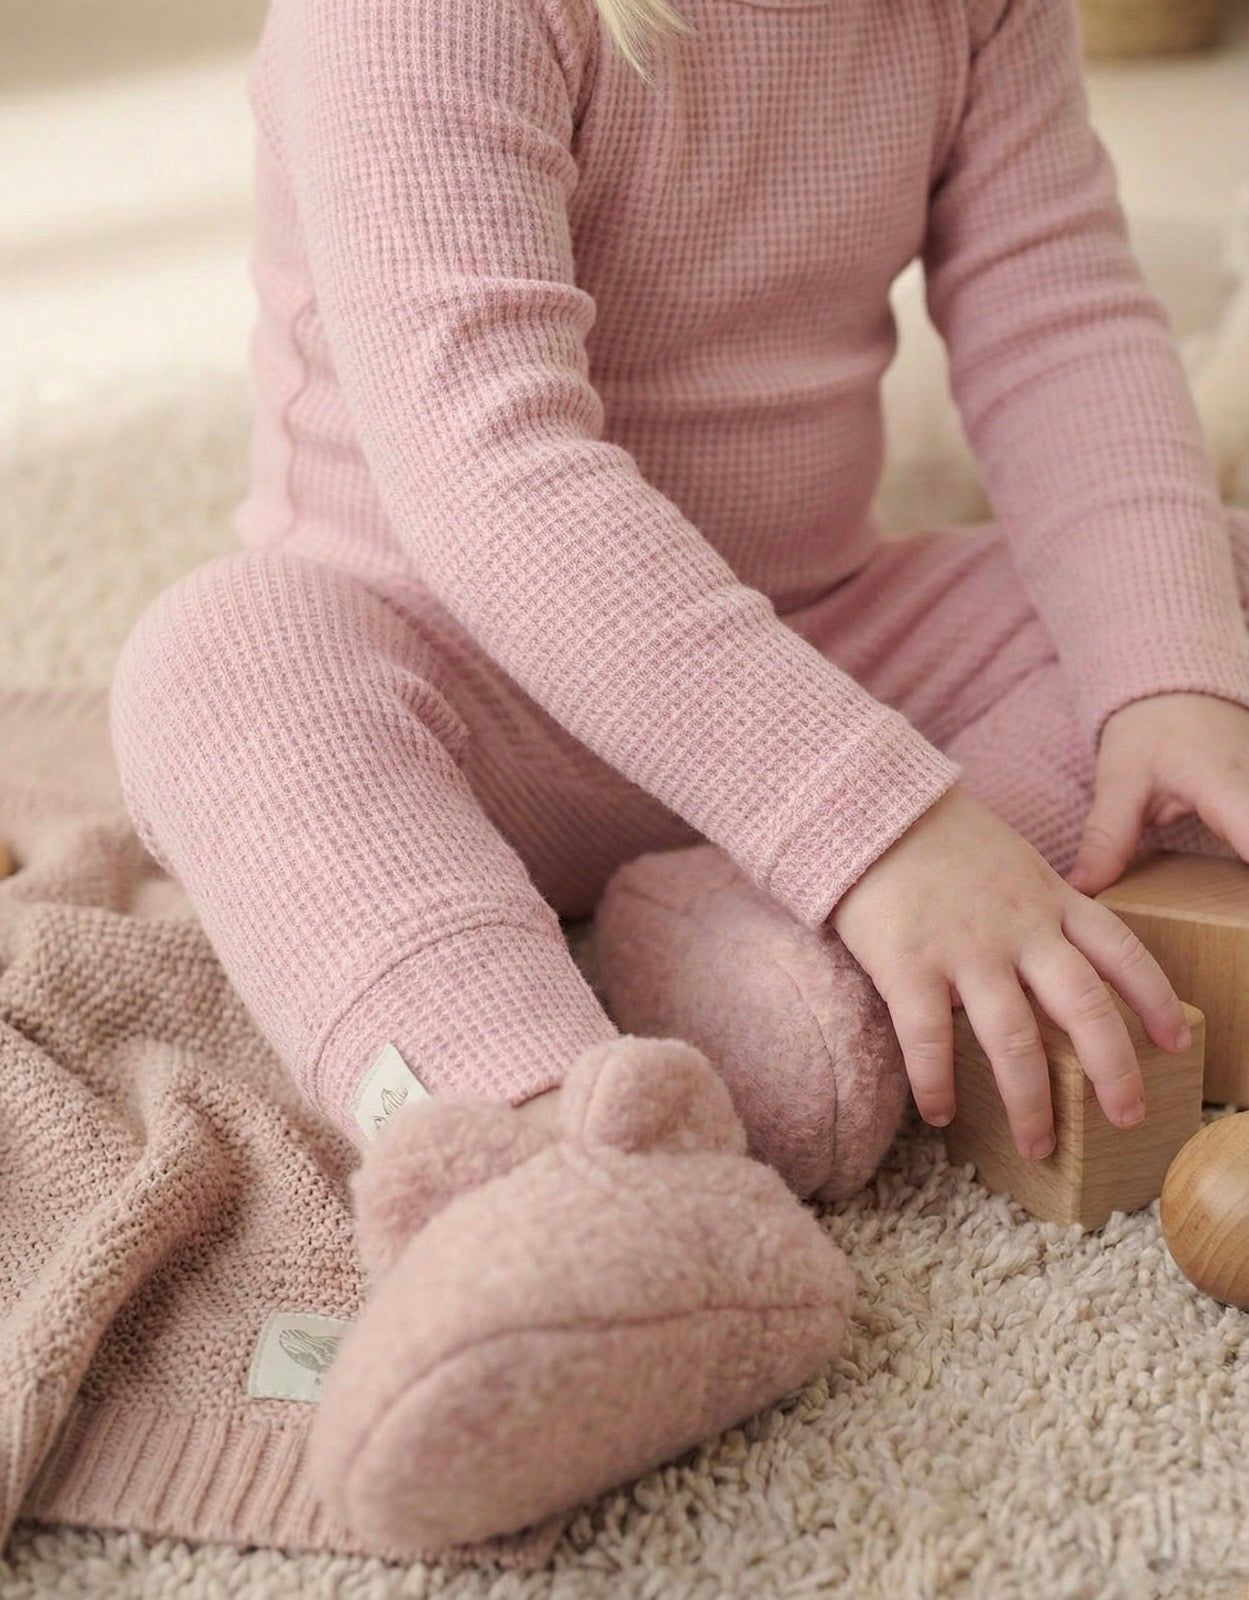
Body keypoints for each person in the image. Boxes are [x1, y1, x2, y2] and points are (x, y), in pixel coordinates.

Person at [107, 0, 1249, 1555]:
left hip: (807, 635)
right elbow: (489, 467)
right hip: (448, 676)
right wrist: (879, 825)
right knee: (215, 663)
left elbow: (1058, 321)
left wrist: (1168, 678)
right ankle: (555, 1155)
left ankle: (753, 954)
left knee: (1198, 596)